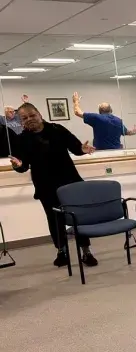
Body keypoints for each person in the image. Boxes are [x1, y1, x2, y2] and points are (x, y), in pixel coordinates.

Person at [9, 103, 99, 267]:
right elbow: (23, 165)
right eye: (25, 118)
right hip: (45, 186)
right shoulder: (22, 139)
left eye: (32, 115)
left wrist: (83, 149)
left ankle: (86, 252)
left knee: (78, 217)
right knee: (54, 219)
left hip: (70, 181)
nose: (29, 119)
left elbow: (76, 147)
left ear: (39, 114)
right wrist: (17, 165)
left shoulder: (57, 129)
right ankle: (62, 251)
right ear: (21, 121)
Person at [72, 92, 136, 150]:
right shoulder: (119, 121)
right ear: (111, 110)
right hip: (117, 152)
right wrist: (134, 131)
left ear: (99, 111)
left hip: (102, 153)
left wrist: (76, 101)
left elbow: (77, 112)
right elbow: (126, 132)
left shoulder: (97, 118)